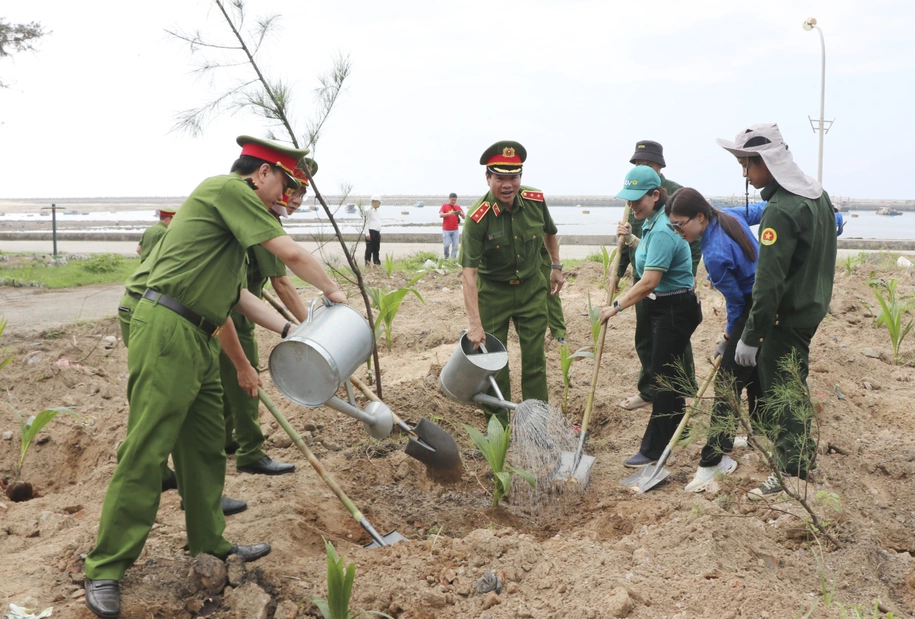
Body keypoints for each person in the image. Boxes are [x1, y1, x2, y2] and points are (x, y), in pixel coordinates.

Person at [84, 135, 346, 619]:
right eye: (285, 184)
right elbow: (290, 256)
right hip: (167, 328)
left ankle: (210, 543)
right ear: (262, 173)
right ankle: (105, 567)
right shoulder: (228, 190)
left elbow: (237, 297)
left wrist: (294, 331)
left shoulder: (232, 225)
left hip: (202, 333)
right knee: (148, 446)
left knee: (204, 446)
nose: (285, 197)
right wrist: (335, 292)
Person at [716, 123, 837, 500]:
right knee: (790, 382)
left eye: (747, 164)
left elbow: (768, 285)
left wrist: (752, 336)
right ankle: (793, 456)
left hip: (785, 317)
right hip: (811, 306)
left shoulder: (781, 211)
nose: (744, 173)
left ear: (766, 161)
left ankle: (793, 470)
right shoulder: (816, 195)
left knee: (784, 389)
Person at [218, 158, 317, 476]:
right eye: (293, 191)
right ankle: (250, 450)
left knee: (228, 381)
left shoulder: (259, 214)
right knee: (246, 382)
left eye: (302, 194)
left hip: (237, 305)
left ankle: (225, 439)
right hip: (235, 312)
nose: (297, 201)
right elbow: (283, 283)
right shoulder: (263, 220)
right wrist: (312, 328)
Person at [599, 166, 701, 467]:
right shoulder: (652, 224)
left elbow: (648, 282)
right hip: (666, 308)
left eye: (637, 200)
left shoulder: (663, 230)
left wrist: (615, 306)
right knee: (665, 375)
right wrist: (631, 240)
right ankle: (677, 433)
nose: (632, 207)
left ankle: (653, 449)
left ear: (655, 195)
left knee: (662, 379)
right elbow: (649, 253)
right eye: (628, 201)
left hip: (674, 309)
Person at [666, 188, 766, 492]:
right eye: (672, 226)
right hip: (767, 303)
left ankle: (713, 461)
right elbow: (765, 209)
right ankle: (760, 436)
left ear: (699, 217)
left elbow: (736, 304)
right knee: (754, 371)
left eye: (679, 225)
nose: (677, 232)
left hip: (751, 309)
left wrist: (729, 336)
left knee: (727, 384)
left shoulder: (715, 255)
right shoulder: (729, 215)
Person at [460, 140, 564, 426]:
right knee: (495, 363)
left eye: (514, 177)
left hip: (531, 290)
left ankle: (536, 423)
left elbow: (550, 233)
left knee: (535, 361)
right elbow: (469, 275)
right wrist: (474, 323)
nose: (508, 185)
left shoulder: (534, 201)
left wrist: (555, 266)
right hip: (494, 294)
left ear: (520, 177)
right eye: (500, 178)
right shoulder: (476, 219)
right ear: (488, 178)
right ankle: (500, 426)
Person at [617, 140, 700, 412]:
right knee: (645, 338)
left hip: (669, 282)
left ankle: (683, 391)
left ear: (659, 167)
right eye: (637, 163)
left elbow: (692, 238)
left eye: (646, 163)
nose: (641, 167)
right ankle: (650, 390)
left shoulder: (676, 195)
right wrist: (618, 272)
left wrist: (692, 271)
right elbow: (639, 244)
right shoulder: (633, 194)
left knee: (674, 342)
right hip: (644, 278)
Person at [541, 246, 566, 344]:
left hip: (541, 253)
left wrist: (556, 266)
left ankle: (558, 334)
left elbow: (550, 233)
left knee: (551, 292)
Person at [439, 192, 464, 259]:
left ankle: (453, 259)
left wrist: (461, 213)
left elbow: (464, 217)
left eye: (455, 200)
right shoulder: (444, 206)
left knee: (455, 245)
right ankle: (446, 257)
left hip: (455, 229)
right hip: (446, 230)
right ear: (449, 199)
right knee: (446, 245)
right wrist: (449, 214)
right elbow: (441, 215)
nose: (453, 201)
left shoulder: (457, 207)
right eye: (452, 200)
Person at [364, 194, 382, 266]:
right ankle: (367, 264)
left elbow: (376, 222)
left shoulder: (376, 211)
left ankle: (376, 264)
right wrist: (367, 233)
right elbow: (366, 222)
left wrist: (379, 233)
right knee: (369, 250)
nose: (379, 204)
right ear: (374, 202)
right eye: (378, 202)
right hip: (371, 232)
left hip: (376, 233)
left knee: (376, 250)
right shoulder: (369, 211)